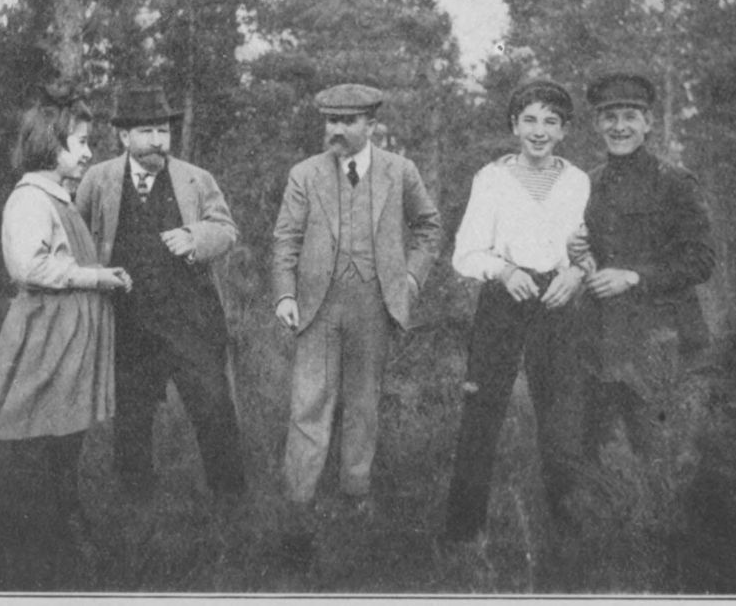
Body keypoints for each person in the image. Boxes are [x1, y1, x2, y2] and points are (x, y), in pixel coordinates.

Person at [272, 83, 441, 523]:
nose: (338, 130)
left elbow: (429, 228)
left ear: (371, 125)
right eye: (332, 120)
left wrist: (409, 280)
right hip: (317, 304)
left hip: (374, 303)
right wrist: (286, 294)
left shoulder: (399, 171)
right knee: (309, 400)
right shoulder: (305, 174)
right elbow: (286, 238)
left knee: (363, 402)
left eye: (348, 122)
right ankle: (298, 500)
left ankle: (355, 491)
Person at [572, 72, 715, 591]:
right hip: (600, 346)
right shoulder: (585, 183)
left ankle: (667, 576)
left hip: (661, 346)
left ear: (649, 122)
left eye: (629, 116)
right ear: (597, 124)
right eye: (609, 117)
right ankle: (605, 574)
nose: (619, 126)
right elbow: (587, 252)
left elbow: (701, 260)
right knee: (598, 467)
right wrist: (579, 255)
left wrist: (634, 276)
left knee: (661, 464)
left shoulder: (675, 182)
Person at [0, 83, 132, 546]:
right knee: (42, 436)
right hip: (47, 334)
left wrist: (100, 275)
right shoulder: (29, 199)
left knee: (65, 436)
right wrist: (94, 278)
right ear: (50, 144)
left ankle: (64, 521)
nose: (88, 153)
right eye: (79, 143)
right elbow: (29, 266)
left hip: (66, 334)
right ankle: (47, 533)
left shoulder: (59, 196)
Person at [75, 83, 246, 500]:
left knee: (213, 405)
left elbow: (226, 230)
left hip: (192, 319)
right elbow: (79, 234)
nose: (158, 141)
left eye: (164, 131)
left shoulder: (196, 179)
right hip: (129, 320)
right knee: (132, 413)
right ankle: (136, 503)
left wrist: (195, 237)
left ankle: (231, 500)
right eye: (147, 131)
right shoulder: (98, 180)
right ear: (124, 136)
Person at [442, 79, 591, 546]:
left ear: (564, 130)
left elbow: (589, 249)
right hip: (504, 301)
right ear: (514, 126)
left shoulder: (578, 182)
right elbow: (466, 253)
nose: (539, 131)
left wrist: (576, 273)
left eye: (551, 121)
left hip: (557, 303)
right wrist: (504, 271)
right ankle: (463, 537)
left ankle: (568, 535)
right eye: (529, 120)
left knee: (562, 422)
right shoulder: (491, 179)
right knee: (481, 416)